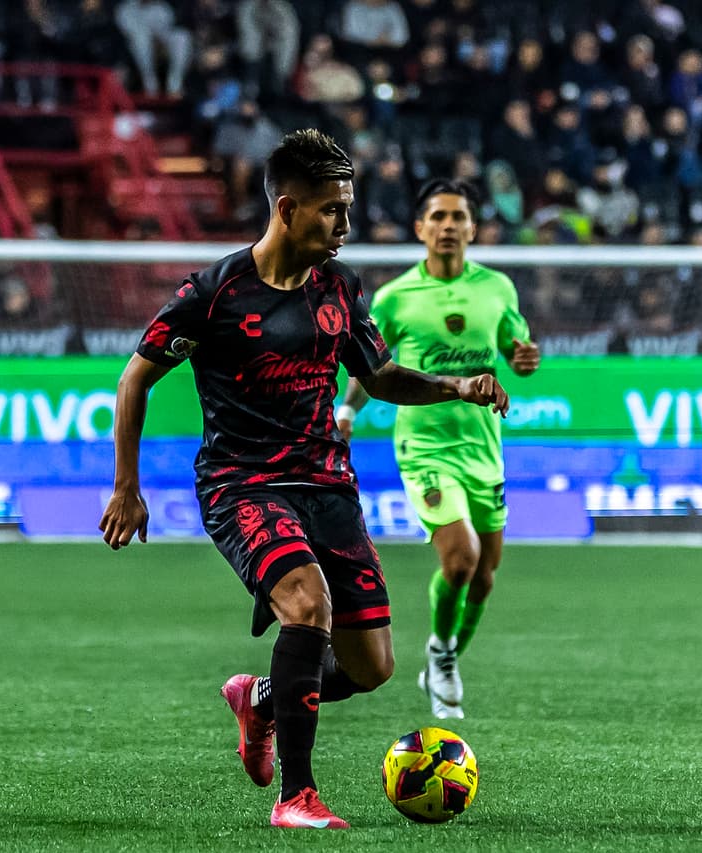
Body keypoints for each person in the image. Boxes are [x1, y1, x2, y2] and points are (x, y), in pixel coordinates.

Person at [98, 130, 509, 829]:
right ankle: (296, 796)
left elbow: (378, 376)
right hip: (242, 484)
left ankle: (260, 697)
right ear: (286, 209)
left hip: (326, 485)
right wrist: (126, 485)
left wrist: (456, 386)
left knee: (373, 665)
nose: (345, 225)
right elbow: (136, 376)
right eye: (331, 211)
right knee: (306, 604)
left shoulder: (339, 289)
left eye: (347, 209)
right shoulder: (215, 290)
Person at [336, 179, 540, 720]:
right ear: (421, 228)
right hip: (424, 445)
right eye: (439, 217)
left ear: (473, 228)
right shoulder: (396, 296)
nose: (449, 226)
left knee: (486, 572)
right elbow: (372, 366)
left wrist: (521, 359)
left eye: (458, 217)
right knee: (462, 558)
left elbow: (515, 346)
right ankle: (443, 657)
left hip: (483, 446)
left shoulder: (497, 288)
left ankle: (443, 654)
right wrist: (348, 409)